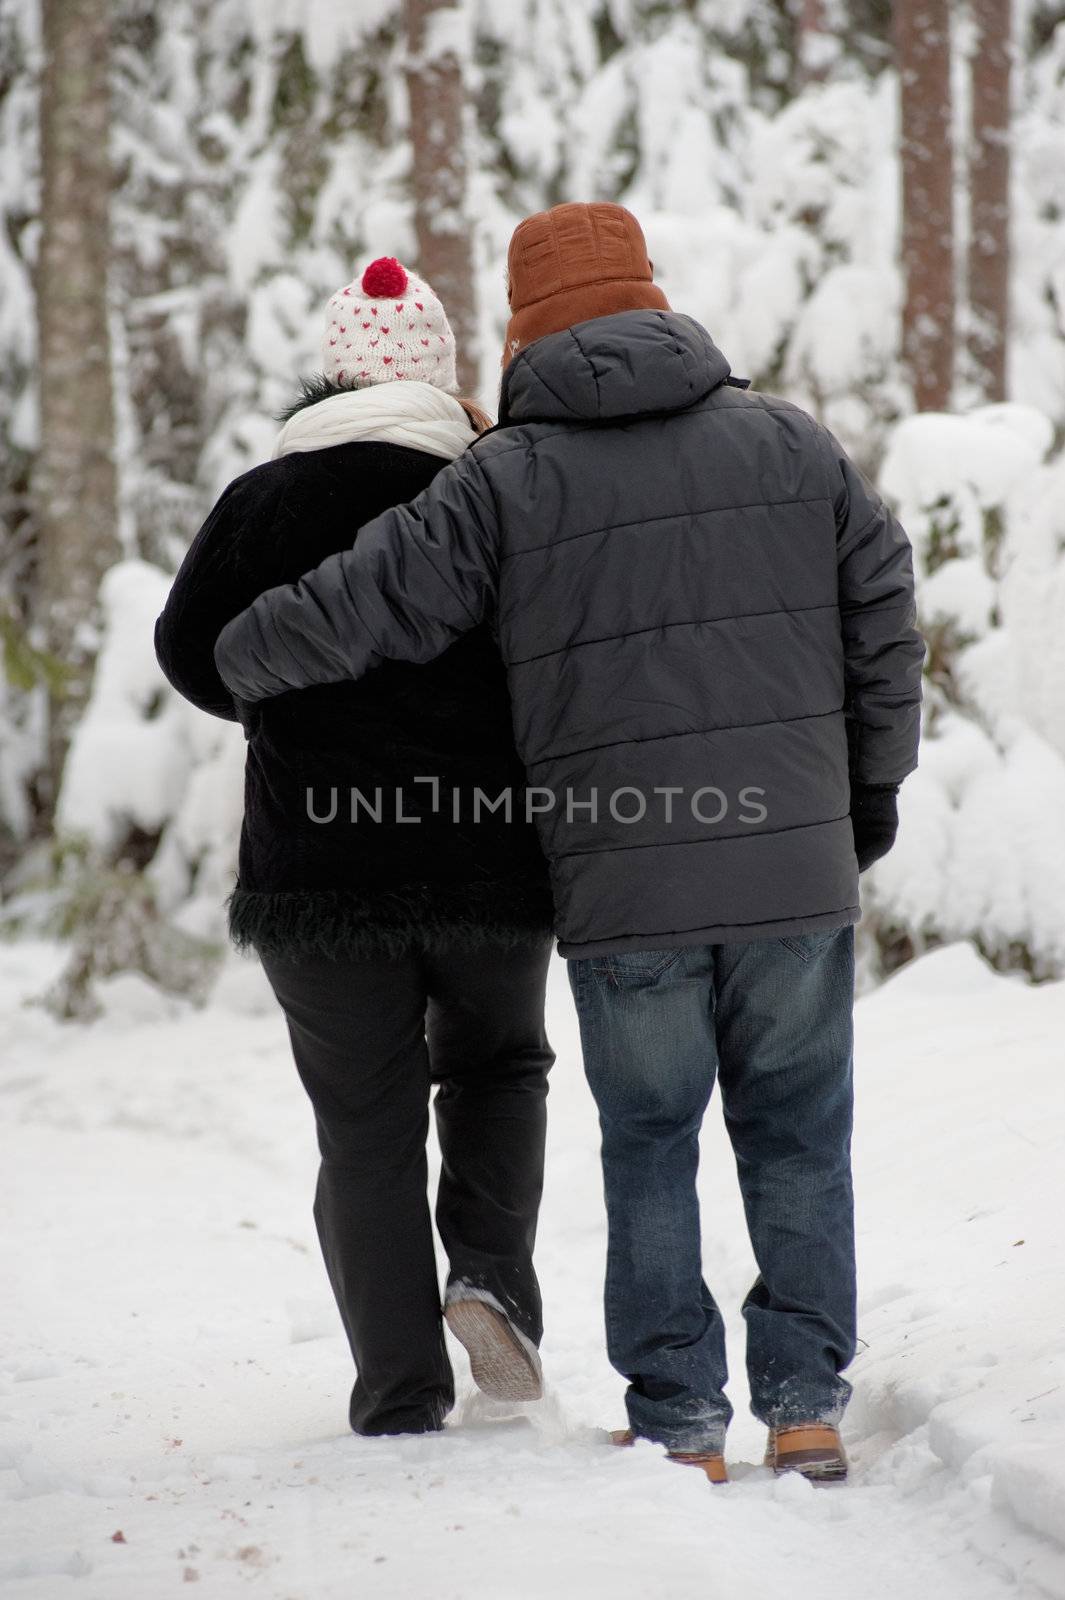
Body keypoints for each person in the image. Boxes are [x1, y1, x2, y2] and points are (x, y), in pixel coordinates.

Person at [210, 204, 925, 1483]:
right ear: (654, 299)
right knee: (800, 1132)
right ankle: (806, 1402)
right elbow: (884, 616)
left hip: (625, 875)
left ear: (522, 328)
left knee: (649, 1135)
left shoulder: (507, 477)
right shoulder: (793, 445)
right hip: (794, 863)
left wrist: (244, 654)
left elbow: (370, 597)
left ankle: (680, 1416)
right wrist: (867, 795)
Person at [154, 256, 556, 1439]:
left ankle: (397, 1390)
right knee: (497, 1069)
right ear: (441, 369)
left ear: (329, 371)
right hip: (486, 859)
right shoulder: (492, 488)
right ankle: (488, 1274)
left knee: (365, 1121)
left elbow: (191, 654)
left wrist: (289, 714)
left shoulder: (260, 502)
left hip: (317, 872)